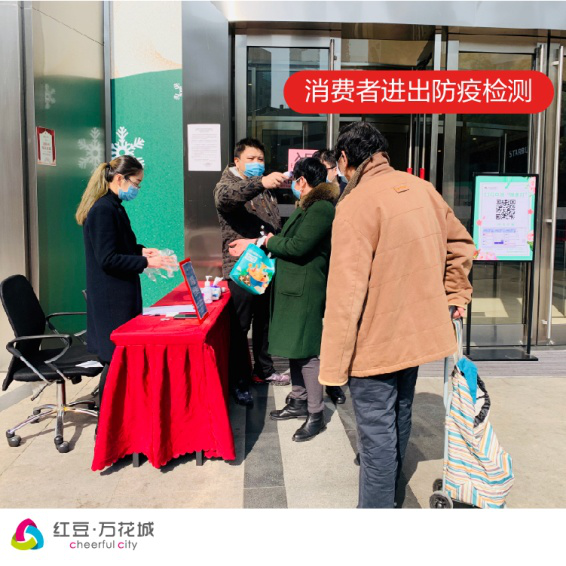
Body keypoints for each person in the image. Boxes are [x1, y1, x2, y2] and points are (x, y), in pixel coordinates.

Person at [318, 122, 476, 508]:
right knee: (399, 416)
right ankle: (391, 495)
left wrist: (332, 369)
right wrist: (455, 293)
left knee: (375, 438)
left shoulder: (355, 204)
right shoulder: (423, 189)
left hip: (374, 343)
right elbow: (461, 244)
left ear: (345, 158)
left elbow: (345, 294)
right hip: (416, 337)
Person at [230, 158, 338, 441]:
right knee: (294, 346)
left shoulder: (321, 208)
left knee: (307, 351)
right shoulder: (308, 206)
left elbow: (298, 246)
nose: (292, 185)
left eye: (295, 180)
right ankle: (299, 400)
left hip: (305, 290)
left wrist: (265, 241)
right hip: (292, 288)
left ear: (303, 180)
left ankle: (316, 413)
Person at [76, 155, 174, 412]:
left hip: (118, 294)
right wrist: (146, 263)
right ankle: (107, 422)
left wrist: (141, 251)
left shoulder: (114, 206)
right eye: (136, 183)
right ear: (120, 178)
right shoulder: (103, 209)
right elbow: (108, 258)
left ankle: (118, 416)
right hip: (111, 298)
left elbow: (120, 246)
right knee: (115, 359)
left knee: (120, 358)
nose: (137, 189)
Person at [214, 138, 289, 406]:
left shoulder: (263, 187)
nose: (257, 163)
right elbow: (227, 199)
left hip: (264, 264)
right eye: (251, 159)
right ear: (237, 161)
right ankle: (238, 380)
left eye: (260, 159)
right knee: (240, 327)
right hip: (242, 268)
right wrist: (261, 182)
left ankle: (264, 369)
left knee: (264, 322)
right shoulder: (227, 185)